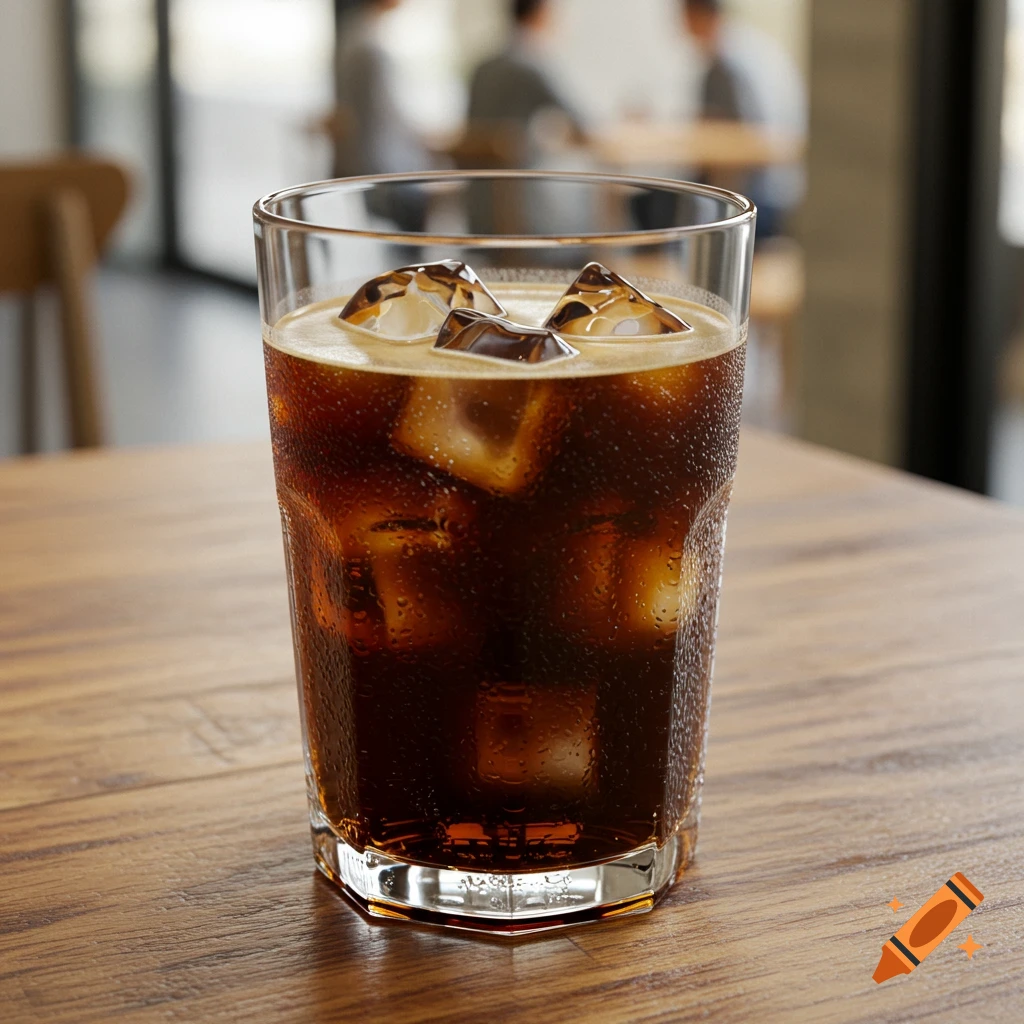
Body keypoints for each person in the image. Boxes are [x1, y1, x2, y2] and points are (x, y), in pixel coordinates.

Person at [681, 0, 807, 237]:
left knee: (680, 206)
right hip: (785, 185)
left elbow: (744, 140)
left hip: (764, 194)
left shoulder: (730, 61)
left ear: (695, 14)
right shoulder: (752, 46)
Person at [334, 0, 434, 229]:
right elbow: (388, 111)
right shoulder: (368, 46)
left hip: (374, 159)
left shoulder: (358, 35)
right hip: (383, 164)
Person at [466, 0, 585, 160]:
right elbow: (581, 119)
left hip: (475, 178)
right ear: (541, 14)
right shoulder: (530, 65)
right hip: (518, 178)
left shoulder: (482, 66)